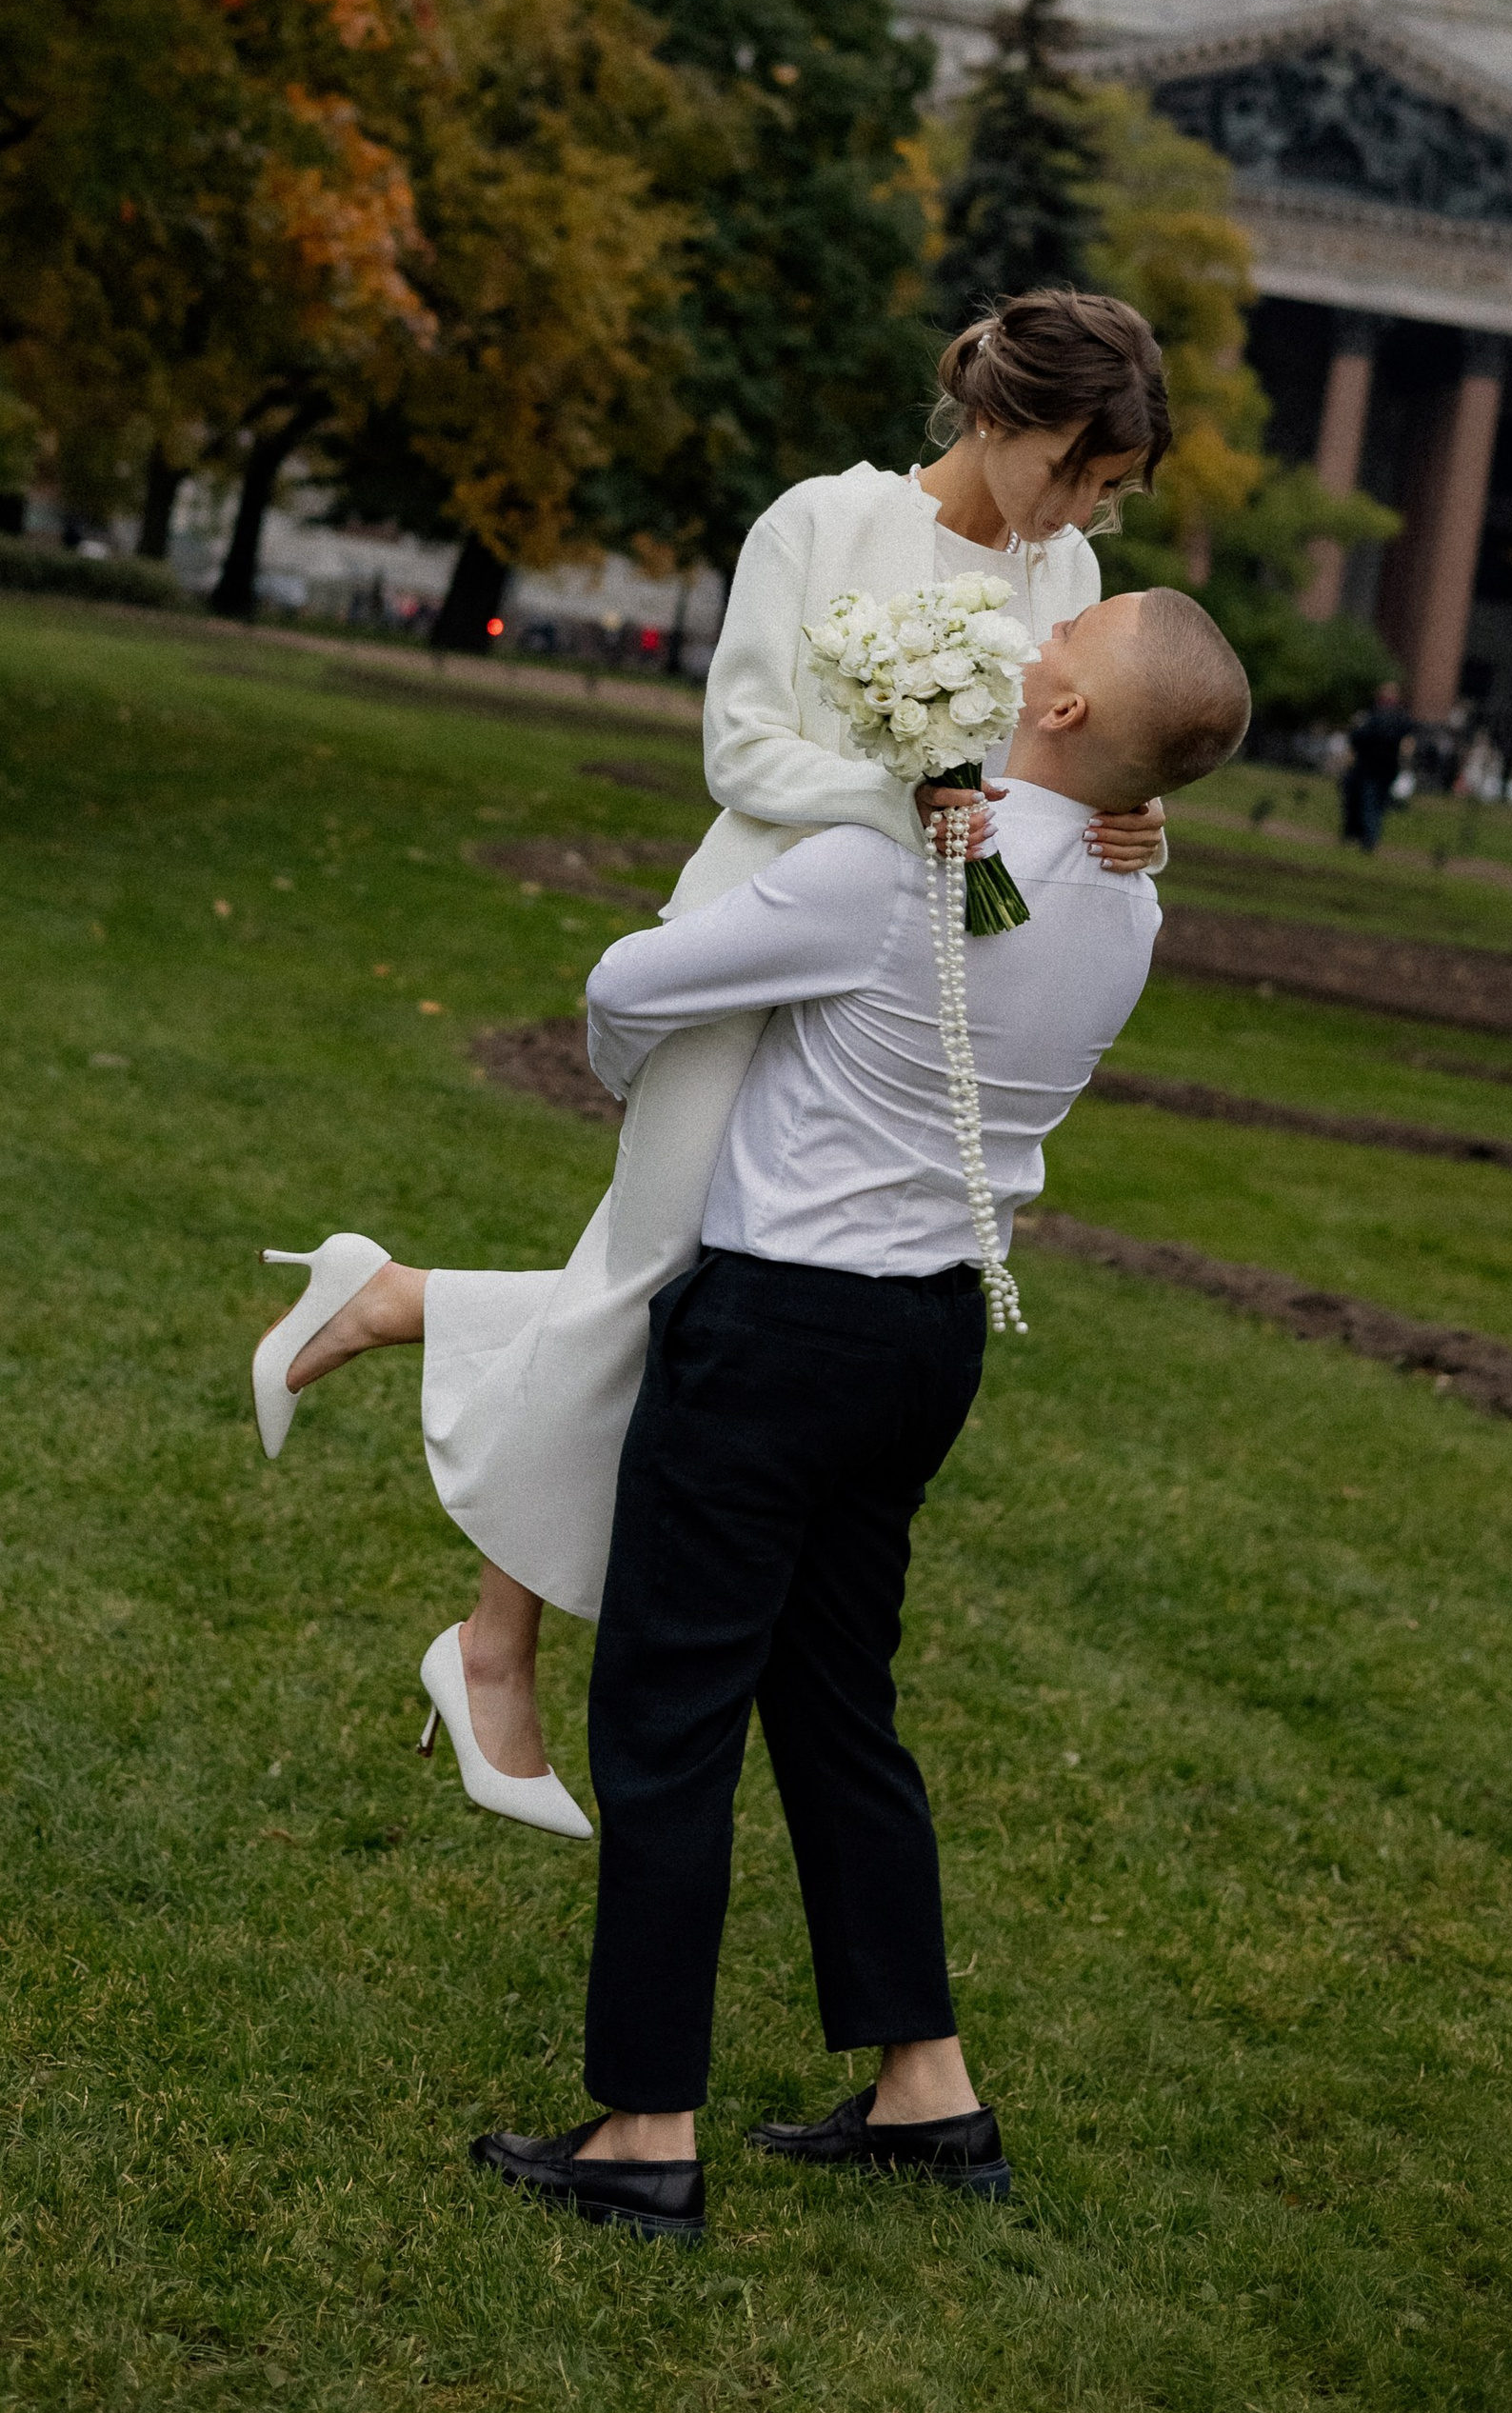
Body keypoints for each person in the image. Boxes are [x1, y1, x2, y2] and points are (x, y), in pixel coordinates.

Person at [259, 290, 1175, 1831]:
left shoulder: (1070, 579)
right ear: (999, 417)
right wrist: (904, 801)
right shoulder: (821, 524)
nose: (1086, 513)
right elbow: (740, 751)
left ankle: (397, 1308)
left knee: (694, 1297)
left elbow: (1079, 758)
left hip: (901, 997)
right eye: (1078, 472)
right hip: (752, 940)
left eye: (1113, 492)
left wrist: (1133, 818)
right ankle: (490, 1652)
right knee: (644, 1284)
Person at [464, 587, 1254, 2240]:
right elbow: (1065, 852)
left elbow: (629, 981)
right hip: (931, 1340)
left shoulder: (890, 874)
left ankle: (644, 2131)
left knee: (670, 1718)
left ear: (1058, 712)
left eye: (1072, 635)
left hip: (777, 1332)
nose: (1041, 632)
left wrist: (648, 1086)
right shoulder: (1129, 900)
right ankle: (926, 2092)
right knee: (837, 1709)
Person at [1342, 679, 1411, 852]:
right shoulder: (1401, 717)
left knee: (1369, 801)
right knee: (1377, 803)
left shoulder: (1372, 716)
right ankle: (1368, 836)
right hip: (1387, 767)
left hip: (1370, 767)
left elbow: (1357, 738)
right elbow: (1407, 743)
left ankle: (1367, 837)